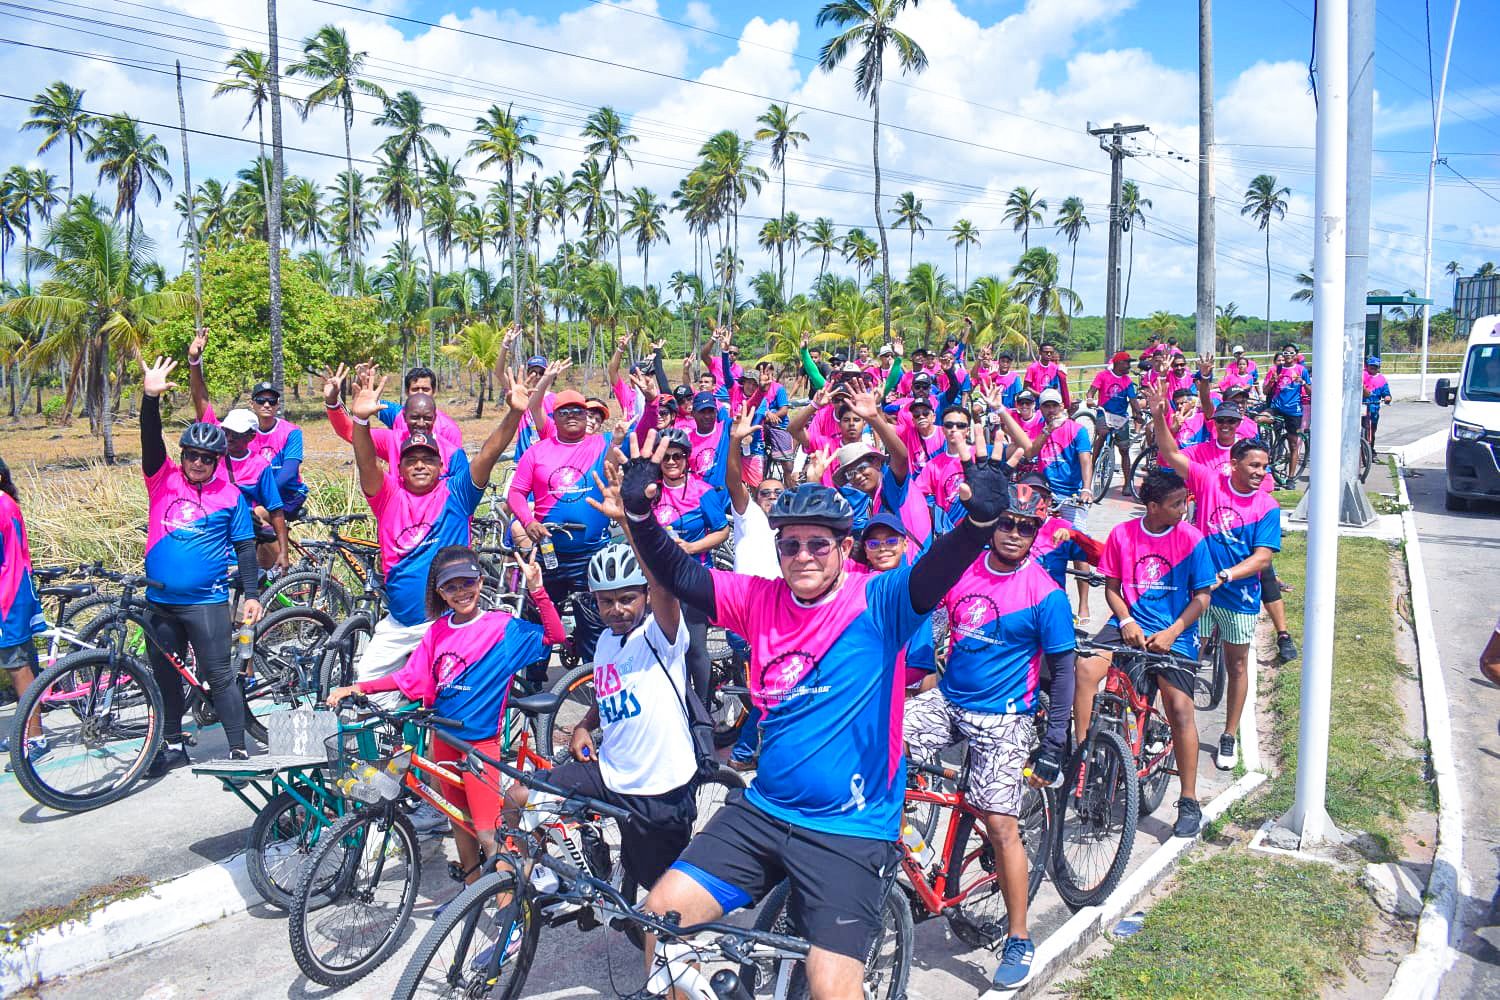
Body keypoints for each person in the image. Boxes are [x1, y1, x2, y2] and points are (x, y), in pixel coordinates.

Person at [621, 439, 1012, 1000]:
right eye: (791, 545)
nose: (803, 556)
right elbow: (680, 574)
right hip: (763, 810)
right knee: (662, 919)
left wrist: (976, 526)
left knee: (830, 988)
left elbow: (933, 573)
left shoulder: (878, 601)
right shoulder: (759, 599)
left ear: (844, 547)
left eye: (818, 545)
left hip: (848, 832)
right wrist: (640, 514)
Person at [902, 477, 1077, 988]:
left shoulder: (1045, 594)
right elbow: (921, 618)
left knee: (1001, 825)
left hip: (1005, 719)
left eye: (1026, 527)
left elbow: (1064, 672)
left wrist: (1053, 745)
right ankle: (908, 842)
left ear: (1035, 532)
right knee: (872, 750)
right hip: (949, 702)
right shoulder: (961, 570)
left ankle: (1020, 937)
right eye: (1007, 523)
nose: (1014, 534)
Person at [326, 545, 563, 883]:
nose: (461, 592)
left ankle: (509, 910)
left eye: (467, 582)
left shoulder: (502, 628)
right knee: (458, 819)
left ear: (481, 582)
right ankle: (470, 889)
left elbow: (556, 636)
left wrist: (537, 590)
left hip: (479, 746)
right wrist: (360, 688)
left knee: (486, 833)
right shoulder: (437, 630)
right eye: (450, 586)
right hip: (444, 740)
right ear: (439, 592)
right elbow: (410, 679)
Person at [545, 536, 701, 972]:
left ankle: (673, 971)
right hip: (610, 771)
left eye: (627, 598)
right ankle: (533, 899)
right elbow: (607, 690)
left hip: (658, 789)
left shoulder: (662, 634)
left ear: (646, 595)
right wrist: (582, 725)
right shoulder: (605, 643)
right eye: (605, 600)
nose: (615, 609)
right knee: (525, 798)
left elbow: (666, 584)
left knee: (664, 907)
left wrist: (629, 519)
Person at [349, 366, 521, 692]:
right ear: (398, 467)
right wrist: (360, 422)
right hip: (399, 626)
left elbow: (489, 451)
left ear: (441, 465)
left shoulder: (457, 494)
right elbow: (366, 462)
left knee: (448, 703)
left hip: (448, 622)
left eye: (427, 459)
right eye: (411, 459)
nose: (419, 465)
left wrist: (514, 412)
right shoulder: (387, 497)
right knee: (366, 699)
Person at [137, 356, 263, 774]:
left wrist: (252, 595)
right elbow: (149, 439)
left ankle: (237, 747)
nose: (197, 463)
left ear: (216, 461)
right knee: (165, 677)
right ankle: (172, 743)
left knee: (219, 674)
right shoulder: (163, 480)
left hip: (206, 602)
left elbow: (246, 549)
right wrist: (150, 397)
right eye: (191, 455)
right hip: (160, 601)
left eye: (206, 458)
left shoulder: (230, 496)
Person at [1073, 468, 1215, 837]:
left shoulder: (1192, 539)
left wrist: (1172, 631)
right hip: (1127, 626)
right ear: (1152, 506)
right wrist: (1125, 621)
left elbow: (1202, 597)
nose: (1184, 509)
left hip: (1175, 633)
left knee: (1180, 709)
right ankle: (1086, 756)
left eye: (1184, 501)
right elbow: (1113, 588)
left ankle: (1188, 799)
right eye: (1176, 504)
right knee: (1086, 669)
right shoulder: (1123, 534)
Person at [1149, 384, 1281, 772]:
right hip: (1200, 590)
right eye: (1253, 466)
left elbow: (1262, 558)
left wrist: (1227, 574)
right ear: (1234, 465)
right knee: (1182, 658)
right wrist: (1160, 416)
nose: (1260, 472)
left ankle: (1228, 734)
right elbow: (1171, 453)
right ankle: (1168, 723)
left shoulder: (1267, 505)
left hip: (1238, 596)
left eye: (1264, 467)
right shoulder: (1208, 481)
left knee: (1237, 665)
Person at [506, 386, 616, 675]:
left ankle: (595, 689)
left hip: (590, 554)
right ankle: (533, 690)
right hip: (548, 553)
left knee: (593, 624)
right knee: (538, 619)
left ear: (586, 415)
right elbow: (516, 493)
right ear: (554, 417)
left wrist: (653, 402)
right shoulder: (536, 452)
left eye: (577, 411)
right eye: (564, 412)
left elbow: (642, 434)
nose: (571, 417)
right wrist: (528, 522)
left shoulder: (602, 444)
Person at [722, 405, 786, 771]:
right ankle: (744, 754)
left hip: (780, 620)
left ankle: (754, 748)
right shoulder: (752, 519)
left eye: (779, 493)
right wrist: (735, 442)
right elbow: (734, 482)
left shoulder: (794, 530)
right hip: (747, 618)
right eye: (766, 493)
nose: (772, 498)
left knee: (773, 688)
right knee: (767, 690)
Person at [185, 330, 307, 518]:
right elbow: (200, 399)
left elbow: (289, 474)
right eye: (261, 400)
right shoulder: (230, 428)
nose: (266, 404)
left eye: (272, 401)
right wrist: (194, 361)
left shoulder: (291, 432)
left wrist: (257, 494)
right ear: (252, 404)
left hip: (281, 493)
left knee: (255, 517)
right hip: (245, 494)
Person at [647, 428, 729, 702]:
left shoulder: (702, 491)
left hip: (695, 576)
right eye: (666, 457)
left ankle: (702, 712)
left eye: (677, 456)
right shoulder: (653, 493)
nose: (671, 462)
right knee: (666, 647)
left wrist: (692, 547)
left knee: (695, 648)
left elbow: (721, 531)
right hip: (660, 582)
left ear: (686, 459)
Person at [1022, 388, 1095, 619]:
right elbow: (1030, 452)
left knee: (1079, 548)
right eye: (1046, 406)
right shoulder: (1038, 429)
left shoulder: (1077, 430)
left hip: (1071, 496)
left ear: (1062, 406)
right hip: (1044, 494)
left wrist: (1086, 488)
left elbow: (1085, 460)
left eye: (1054, 405)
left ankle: (1084, 604)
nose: (1051, 410)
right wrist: (1046, 431)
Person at [0, 455, 47, 768]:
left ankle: (35, 737)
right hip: (16, 590)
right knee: (23, 662)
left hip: (7, 596)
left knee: (18, 667)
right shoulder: (6, 502)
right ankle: (26, 728)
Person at [219, 408, 291, 572]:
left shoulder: (259, 466)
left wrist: (284, 553)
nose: (229, 438)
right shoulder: (213, 460)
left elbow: (275, 509)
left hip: (246, 537)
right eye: (226, 432)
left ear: (251, 436)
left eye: (236, 435)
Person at [1087, 351, 1143, 493]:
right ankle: (1092, 466)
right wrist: (1089, 399)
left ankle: (1127, 483)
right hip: (1104, 413)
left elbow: (1133, 400)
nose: (1129, 365)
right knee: (1104, 433)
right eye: (1127, 362)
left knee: (1124, 450)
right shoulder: (1103, 376)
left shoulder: (1127, 381)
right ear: (1119, 363)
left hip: (1120, 417)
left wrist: (1138, 414)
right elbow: (1091, 391)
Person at [1264, 349, 1311, 481]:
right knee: (1259, 418)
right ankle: (1270, 448)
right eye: (1285, 353)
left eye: (1291, 353)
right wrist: (1272, 381)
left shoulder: (1302, 370)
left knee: (1293, 445)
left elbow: (1311, 391)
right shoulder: (1276, 369)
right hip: (1276, 408)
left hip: (1294, 411)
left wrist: (1303, 382)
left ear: (1296, 355)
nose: (1288, 355)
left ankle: (1290, 478)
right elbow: (1265, 391)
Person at [1362, 356, 1392, 449]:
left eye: (1375, 367)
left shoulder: (1381, 379)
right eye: (1371, 366)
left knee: (1372, 430)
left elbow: (1386, 393)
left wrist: (1387, 397)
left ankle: (1371, 450)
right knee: (1361, 427)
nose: (1373, 368)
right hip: (1362, 407)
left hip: (1374, 408)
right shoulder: (1363, 375)